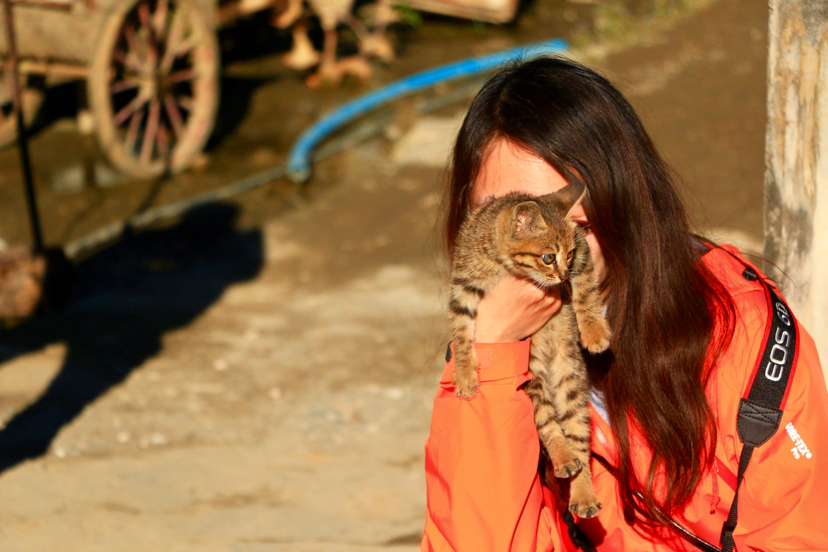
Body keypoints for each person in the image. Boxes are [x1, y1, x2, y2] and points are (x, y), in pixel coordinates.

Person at [420, 57, 828, 551]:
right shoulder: (493, 348)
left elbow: (796, 535)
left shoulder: (742, 338)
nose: (536, 256)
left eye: (574, 226)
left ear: (623, 206)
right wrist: (492, 355)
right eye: (508, 217)